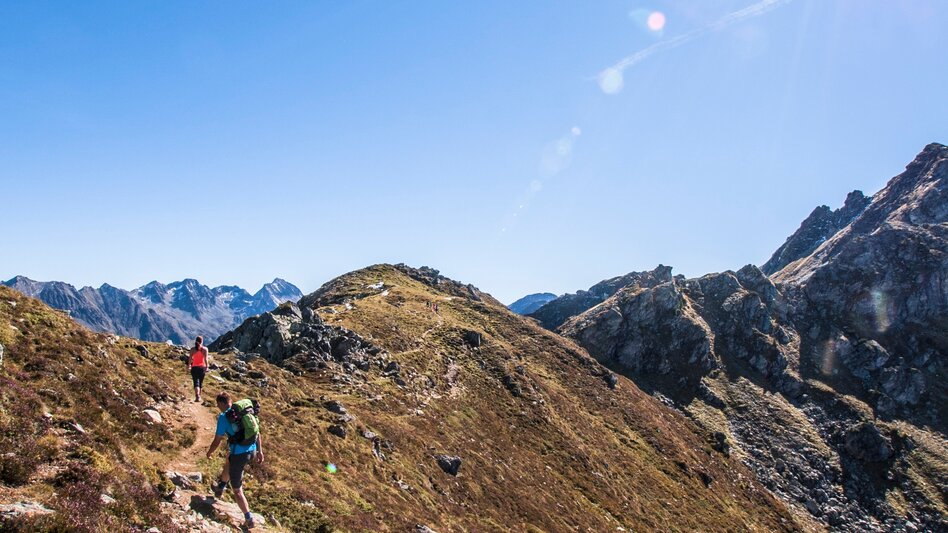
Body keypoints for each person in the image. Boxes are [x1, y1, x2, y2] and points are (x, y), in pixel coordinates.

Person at [206, 392, 265, 530]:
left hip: (240, 454)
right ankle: (220, 487)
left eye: (218, 404)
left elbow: (217, 440)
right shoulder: (244, 413)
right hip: (252, 450)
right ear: (231, 401)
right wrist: (260, 451)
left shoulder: (223, 417)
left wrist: (210, 452)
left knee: (237, 490)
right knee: (229, 458)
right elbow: (257, 432)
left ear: (221, 404)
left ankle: (248, 518)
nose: (217, 407)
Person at [187, 336, 209, 402]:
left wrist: (189, 366)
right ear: (202, 341)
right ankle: (199, 396)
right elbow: (206, 359)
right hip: (202, 368)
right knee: (200, 383)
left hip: (194, 368)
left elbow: (190, 359)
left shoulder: (192, 349)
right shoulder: (205, 349)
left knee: (196, 383)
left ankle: (197, 396)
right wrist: (207, 367)